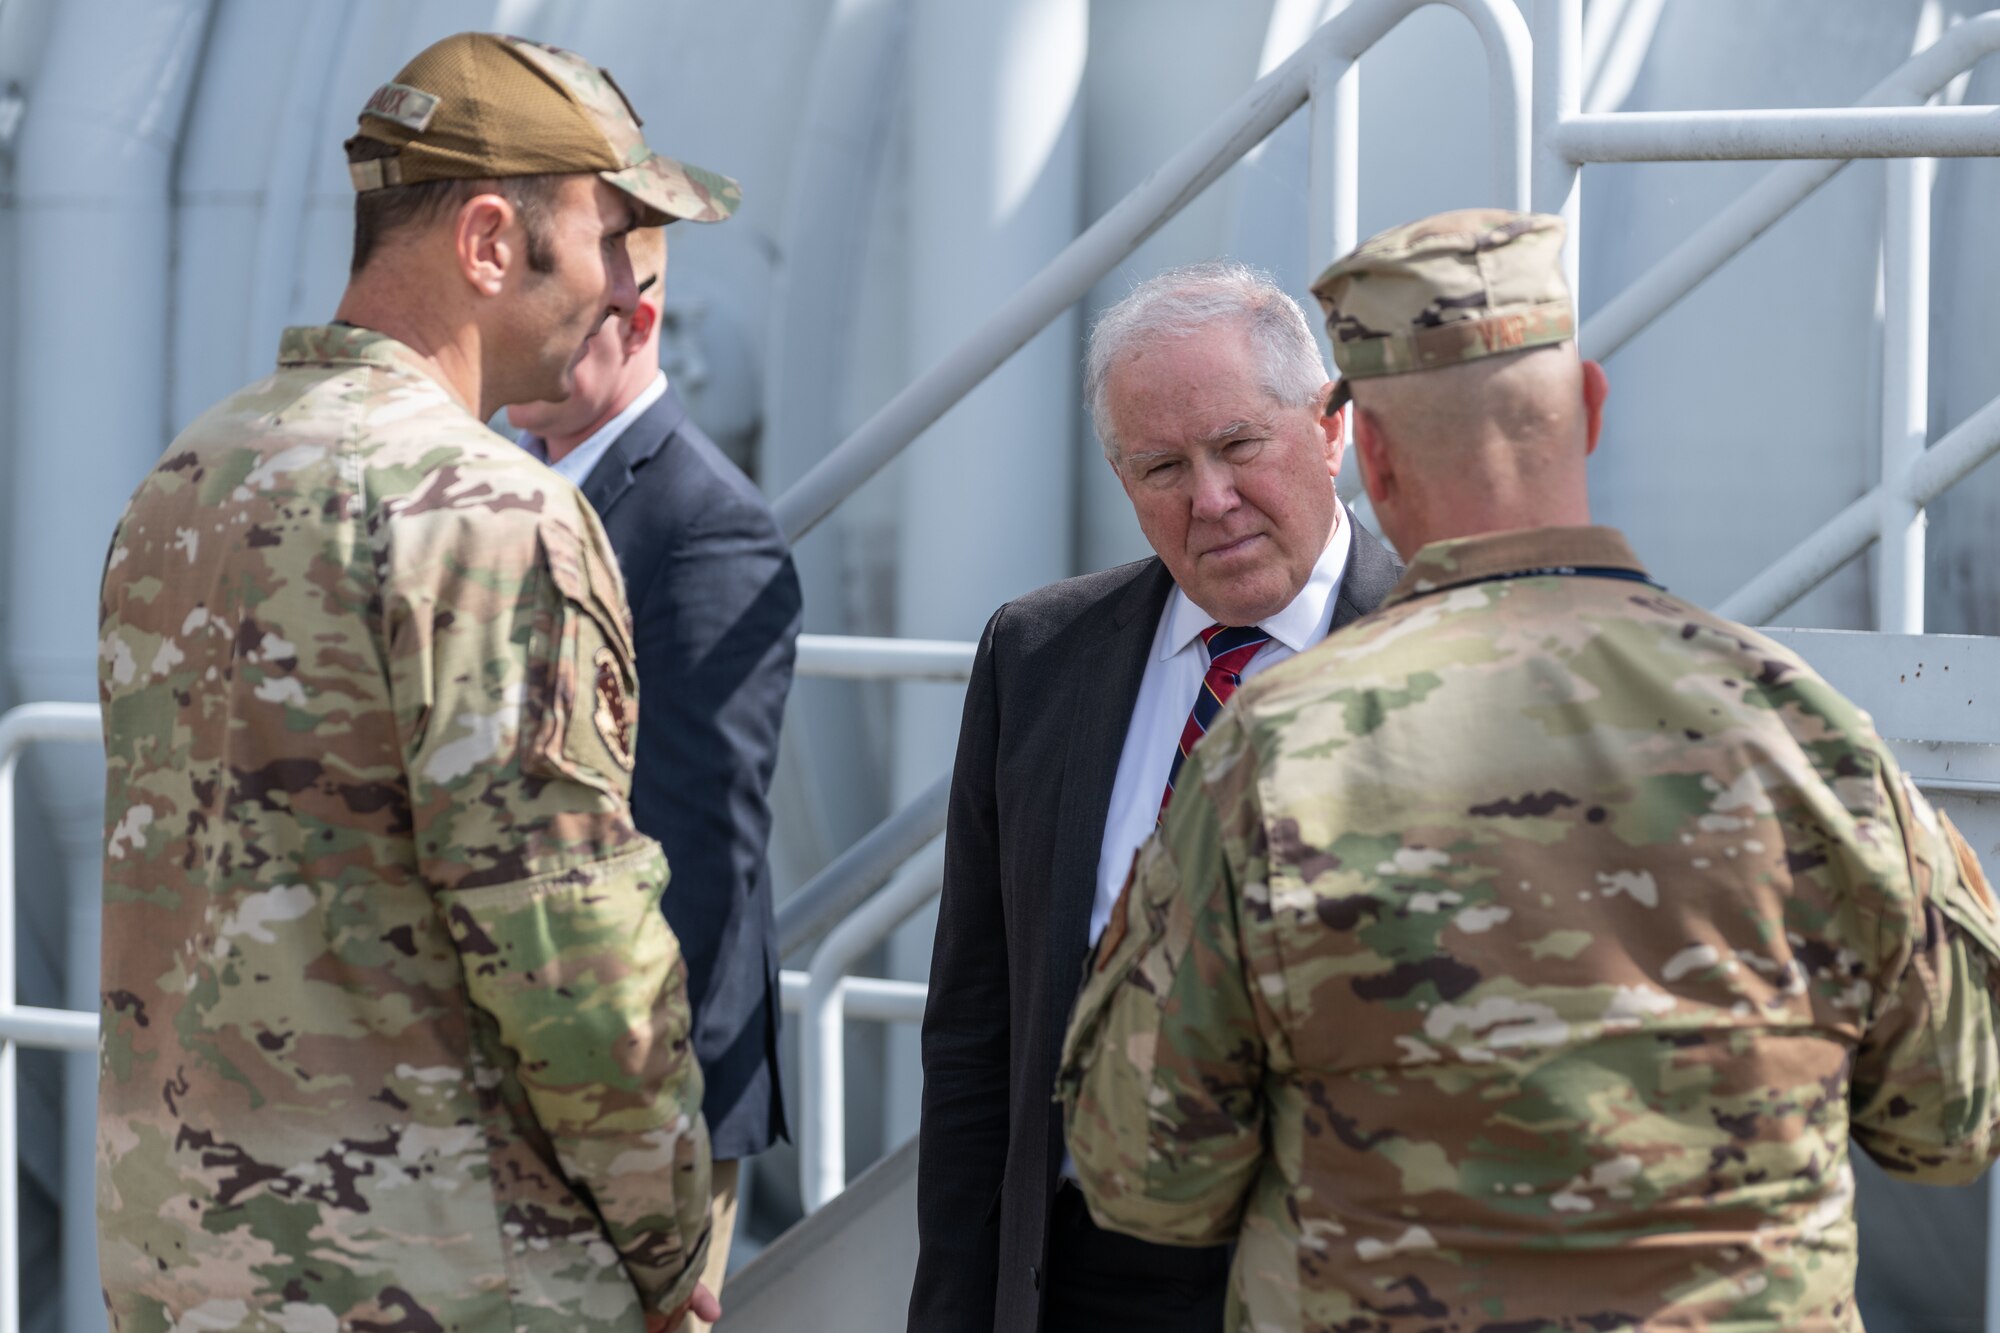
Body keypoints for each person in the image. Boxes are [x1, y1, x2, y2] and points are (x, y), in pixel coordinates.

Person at [1058, 209, 2000, 1330]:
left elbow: (1140, 1172)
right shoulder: (1803, 733)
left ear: (1368, 454)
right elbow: (1953, 1118)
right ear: (1589, 408)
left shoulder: (1269, 756)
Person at [94, 32, 743, 1333]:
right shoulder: (494, 513)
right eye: (613, 233)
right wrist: (676, 1249)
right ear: (491, 240)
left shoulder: (191, 472)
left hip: (183, 1260)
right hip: (444, 1276)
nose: (630, 289)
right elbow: (570, 949)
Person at [912, 262, 1402, 1333]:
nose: (1209, 499)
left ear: (1327, 431)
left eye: (1236, 447)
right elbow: (974, 1034)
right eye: (1161, 466)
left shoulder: (1446, 656)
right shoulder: (1038, 657)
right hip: (1084, 1278)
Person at [508, 223, 803, 1324]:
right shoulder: (506, 486)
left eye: (556, 329)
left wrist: (648, 1135)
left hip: (634, 1101)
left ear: (637, 326)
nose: (519, 353)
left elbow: (699, 858)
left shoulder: (703, 527)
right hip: (523, 1077)